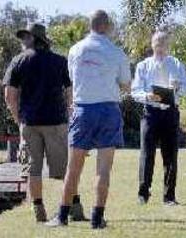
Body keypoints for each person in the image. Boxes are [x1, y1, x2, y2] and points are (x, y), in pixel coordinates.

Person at [46, 10, 131, 229]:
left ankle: (62, 216)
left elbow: (74, 80)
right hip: (109, 110)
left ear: (90, 25)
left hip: (83, 110)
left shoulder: (75, 50)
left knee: (73, 167)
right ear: (107, 26)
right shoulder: (117, 52)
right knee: (103, 169)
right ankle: (97, 218)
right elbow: (125, 84)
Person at [3, 23, 71, 222]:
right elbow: (69, 91)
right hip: (56, 122)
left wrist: (18, 119)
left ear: (33, 39)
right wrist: (68, 112)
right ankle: (73, 206)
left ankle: (38, 210)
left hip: (30, 123)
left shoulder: (18, 61)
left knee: (33, 169)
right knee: (65, 168)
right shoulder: (59, 61)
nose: (23, 41)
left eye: (25, 37)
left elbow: (9, 96)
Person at [131, 31, 186, 206]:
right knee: (146, 154)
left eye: (163, 42)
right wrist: (147, 96)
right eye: (157, 42)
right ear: (152, 44)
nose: (160, 45)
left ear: (168, 45)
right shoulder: (143, 66)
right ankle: (143, 194)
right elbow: (135, 91)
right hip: (150, 113)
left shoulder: (176, 63)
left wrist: (179, 87)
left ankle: (169, 197)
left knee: (171, 155)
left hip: (171, 113)